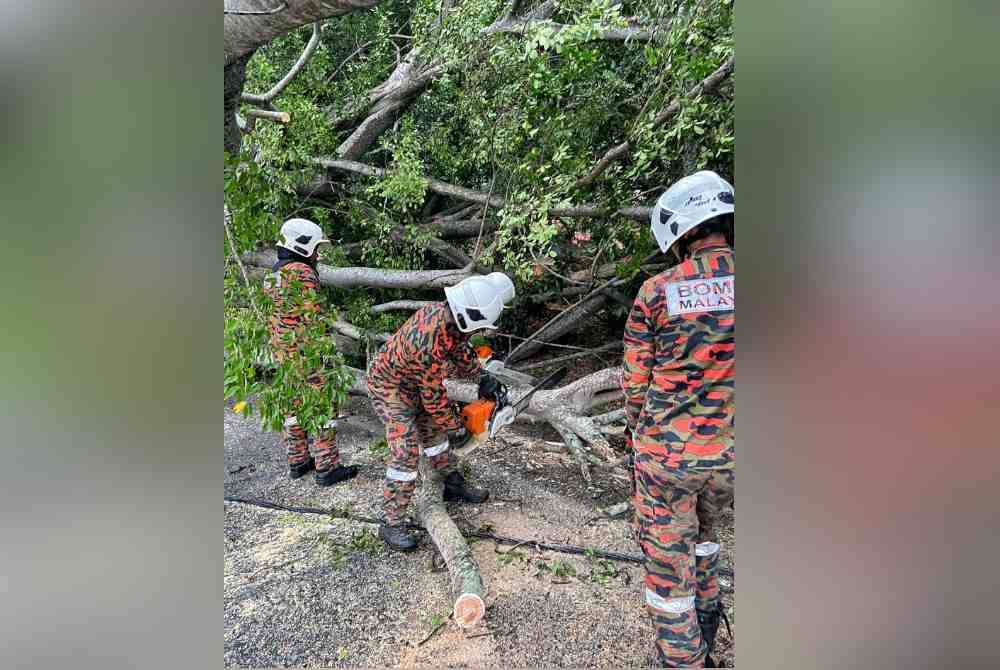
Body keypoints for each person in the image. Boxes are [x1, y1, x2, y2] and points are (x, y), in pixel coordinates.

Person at [622, 171, 735, 667]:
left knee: (669, 573)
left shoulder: (658, 291)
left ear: (682, 232)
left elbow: (634, 385)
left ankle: (685, 659)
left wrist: (637, 432)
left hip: (667, 459)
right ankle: (709, 618)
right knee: (706, 539)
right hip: (732, 458)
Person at [366, 272, 515, 551]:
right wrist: (457, 427)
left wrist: (481, 376)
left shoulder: (447, 319)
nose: (476, 333)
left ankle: (451, 483)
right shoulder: (428, 341)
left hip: (414, 381)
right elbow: (434, 398)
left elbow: (458, 349)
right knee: (406, 450)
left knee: (435, 436)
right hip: (391, 387)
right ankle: (391, 522)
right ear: (469, 316)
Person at [264, 218, 360, 487]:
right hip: (308, 357)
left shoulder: (272, 275)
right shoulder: (302, 273)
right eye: (316, 248)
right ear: (303, 245)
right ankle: (327, 467)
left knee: (292, 408)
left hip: (284, 358)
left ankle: (298, 461)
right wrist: (326, 357)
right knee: (322, 410)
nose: (317, 254)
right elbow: (313, 318)